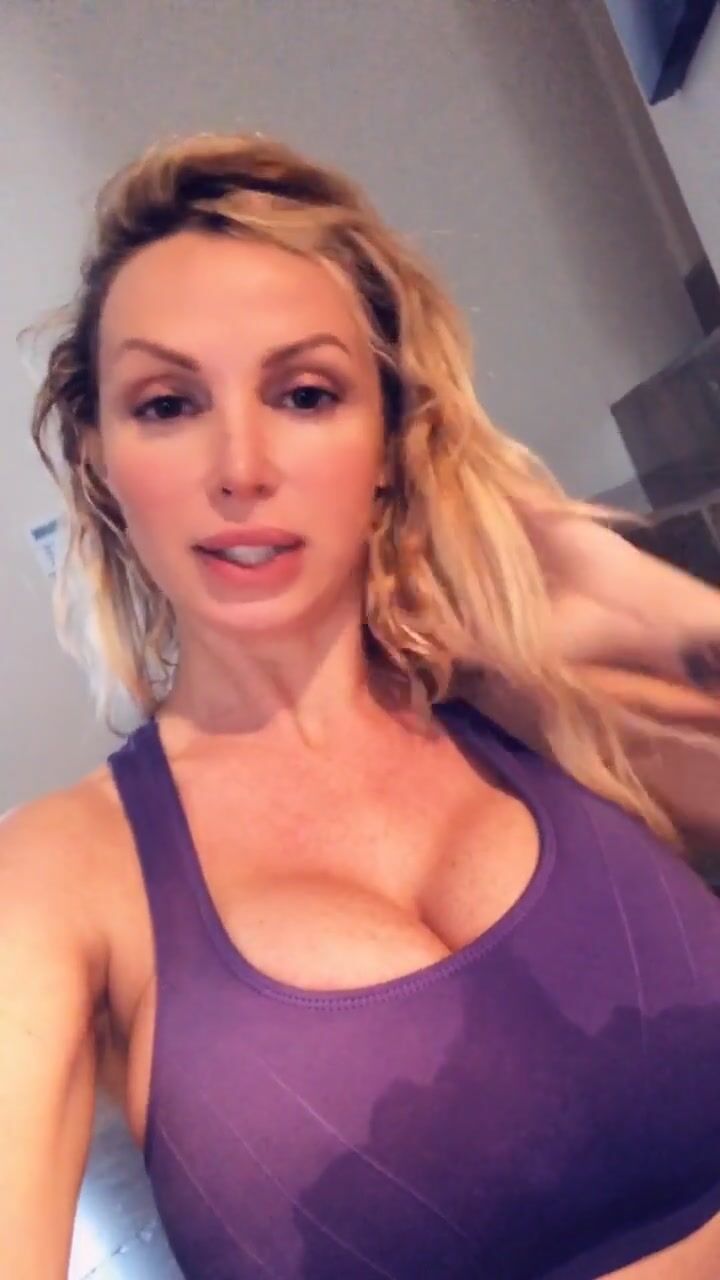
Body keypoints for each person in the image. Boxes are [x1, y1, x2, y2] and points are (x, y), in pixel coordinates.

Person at [3, 131, 720, 1280]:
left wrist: (617, 584)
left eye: (305, 392)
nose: (241, 465)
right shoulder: (58, 873)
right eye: (168, 403)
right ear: (98, 460)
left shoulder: (531, 704)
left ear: (388, 438)